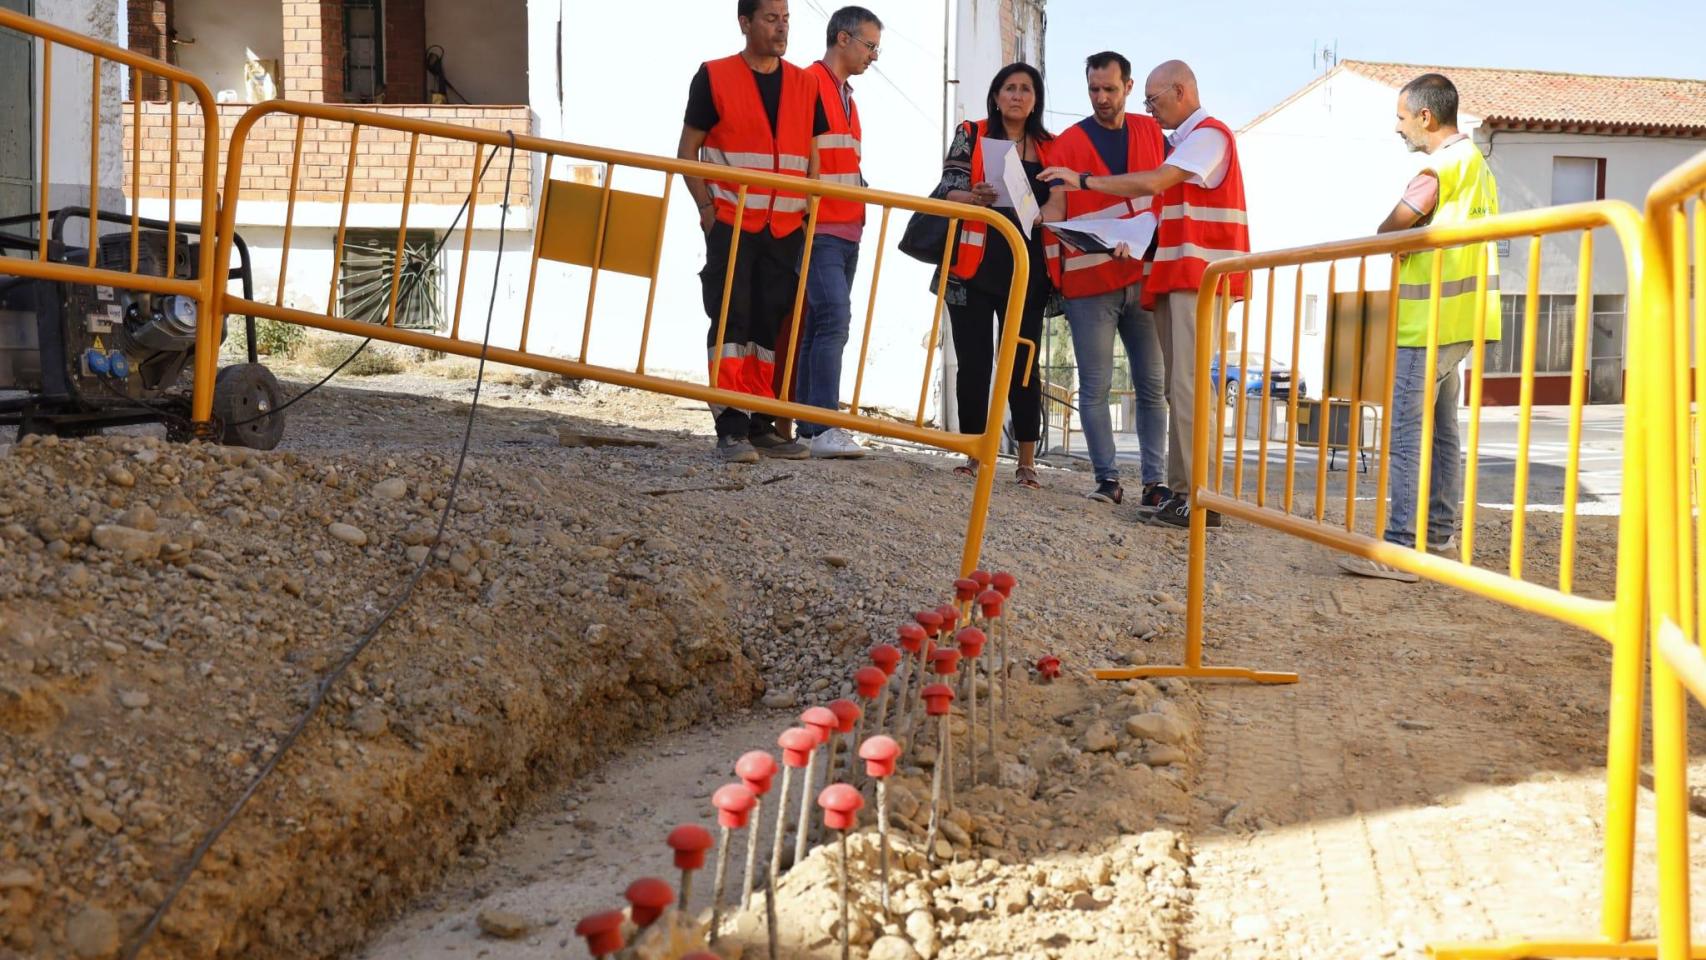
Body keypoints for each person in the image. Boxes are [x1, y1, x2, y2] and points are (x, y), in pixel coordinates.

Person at [1039, 58, 1249, 527]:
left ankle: (1197, 497)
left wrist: (1084, 181)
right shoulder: (1185, 141)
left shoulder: (1208, 136)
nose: (1149, 110)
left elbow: (1155, 183)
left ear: (1180, 91)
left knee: (1184, 389)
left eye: (1153, 100)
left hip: (1198, 279)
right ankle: (1183, 494)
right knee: (1179, 389)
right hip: (1176, 278)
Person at [1338, 73, 1501, 582]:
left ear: (1426, 118)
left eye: (1401, 117)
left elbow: (1391, 227)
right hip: (1459, 319)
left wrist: (1400, 236)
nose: (1397, 128)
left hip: (1426, 320)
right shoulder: (1478, 167)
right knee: (1443, 432)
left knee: (1408, 433)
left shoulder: (1439, 167)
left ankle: (1403, 548)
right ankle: (1436, 537)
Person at [676, 0, 829, 464]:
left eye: (786, 19)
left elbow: (813, 155)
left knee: (767, 327)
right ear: (745, 23)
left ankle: (760, 423)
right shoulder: (714, 75)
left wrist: (806, 211)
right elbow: (687, 151)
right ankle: (731, 427)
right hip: (732, 222)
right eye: (771, 18)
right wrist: (706, 208)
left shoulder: (805, 83)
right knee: (730, 323)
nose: (782, 28)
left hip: (784, 226)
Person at [1042, 51, 1170, 508]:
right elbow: (1057, 205)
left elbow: (1165, 193)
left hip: (1143, 275)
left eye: (1109, 89)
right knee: (1093, 386)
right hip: (1089, 284)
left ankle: (1155, 484)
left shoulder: (1152, 131)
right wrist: (1040, 220)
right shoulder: (1069, 143)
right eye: (1094, 89)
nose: (1101, 98)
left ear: (1128, 87)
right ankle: (1107, 480)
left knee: (1152, 386)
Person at [936, 62, 1066, 488]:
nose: (1016, 95)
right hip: (971, 269)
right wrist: (973, 195)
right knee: (972, 364)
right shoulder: (971, 133)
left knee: (1022, 366)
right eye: (1009, 88)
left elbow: (1061, 205)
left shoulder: (1052, 147)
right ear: (995, 96)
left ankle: (1026, 462)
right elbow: (945, 188)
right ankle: (973, 454)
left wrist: (1044, 214)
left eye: (1026, 89)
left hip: (1027, 272)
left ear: (1035, 100)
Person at [793, 5, 883, 459]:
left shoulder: (848, 97)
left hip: (848, 227)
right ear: (842, 39)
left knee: (818, 324)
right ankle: (823, 423)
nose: (873, 56)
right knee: (833, 319)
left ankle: (810, 426)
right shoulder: (810, 83)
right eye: (870, 46)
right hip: (820, 225)